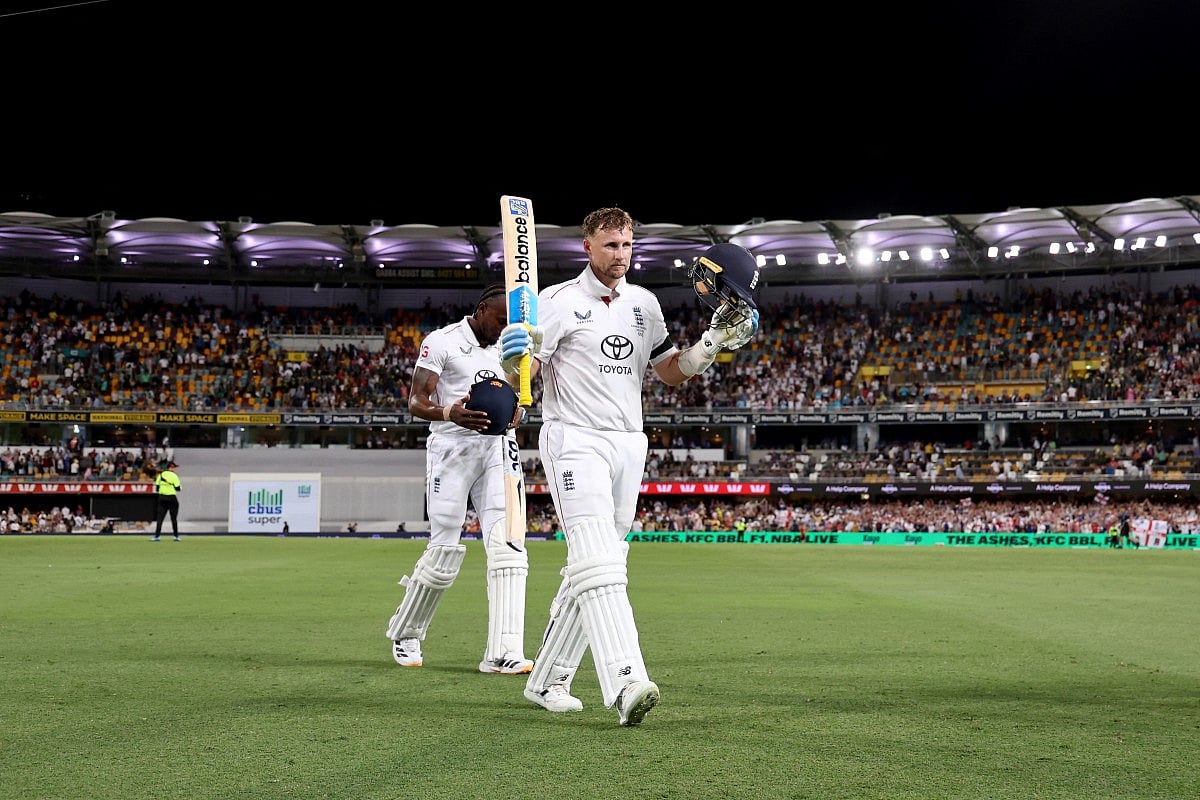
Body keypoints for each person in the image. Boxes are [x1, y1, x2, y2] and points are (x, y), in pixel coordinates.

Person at [499, 208, 759, 726]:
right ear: (588, 247)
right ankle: (625, 679)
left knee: (597, 563)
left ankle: (549, 679)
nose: (621, 255)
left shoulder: (645, 303)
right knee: (600, 560)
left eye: (627, 245)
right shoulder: (555, 302)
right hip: (574, 439)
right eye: (611, 246)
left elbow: (667, 371)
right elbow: (520, 374)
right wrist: (510, 362)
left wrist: (708, 345)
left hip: (628, 443)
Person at [384, 283, 532, 675]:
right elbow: (416, 400)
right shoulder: (442, 341)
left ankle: (504, 649)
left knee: (508, 545)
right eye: (499, 321)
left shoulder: (513, 344)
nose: (503, 330)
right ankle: (407, 631)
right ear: (482, 310)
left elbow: (518, 392)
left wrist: (518, 410)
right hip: (452, 449)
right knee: (445, 547)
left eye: (509, 324)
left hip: (499, 449)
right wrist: (449, 412)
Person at [152, 460, 182, 542]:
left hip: (162, 498)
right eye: (174, 467)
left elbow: (157, 488)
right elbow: (178, 488)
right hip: (172, 498)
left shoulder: (161, 475)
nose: (175, 469)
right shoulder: (174, 476)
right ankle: (176, 536)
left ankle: (157, 536)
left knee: (160, 518)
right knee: (174, 518)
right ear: (171, 468)